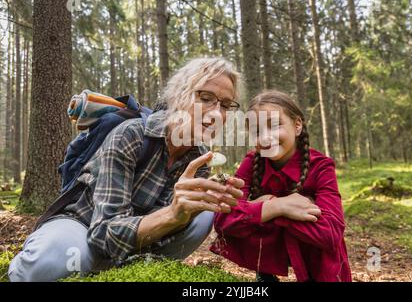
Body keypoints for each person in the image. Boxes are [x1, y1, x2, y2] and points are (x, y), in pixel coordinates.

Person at [9, 57, 245, 282]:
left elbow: (173, 225)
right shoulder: (131, 134)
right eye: (205, 98)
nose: (217, 113)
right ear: (179, 97)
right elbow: (102, 233)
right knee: (47, 264)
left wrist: (186, 212)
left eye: (225, 105)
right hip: (85, 226)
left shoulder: (200, 159)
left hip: (142, 244)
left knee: (203, 211)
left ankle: (140, 269)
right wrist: (173, 214)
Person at [210, 90, 352, 282]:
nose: (266, 138)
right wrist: (279, 206)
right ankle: (265, 275)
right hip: (271, 246)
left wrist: (262, 208)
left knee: (253, 215)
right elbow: (222, 222)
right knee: (242, 220)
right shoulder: (252, 161)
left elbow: (331, 234)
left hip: (316, 259)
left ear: (297, 125)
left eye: (274, 125)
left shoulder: (321, 165)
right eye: (257, 131)